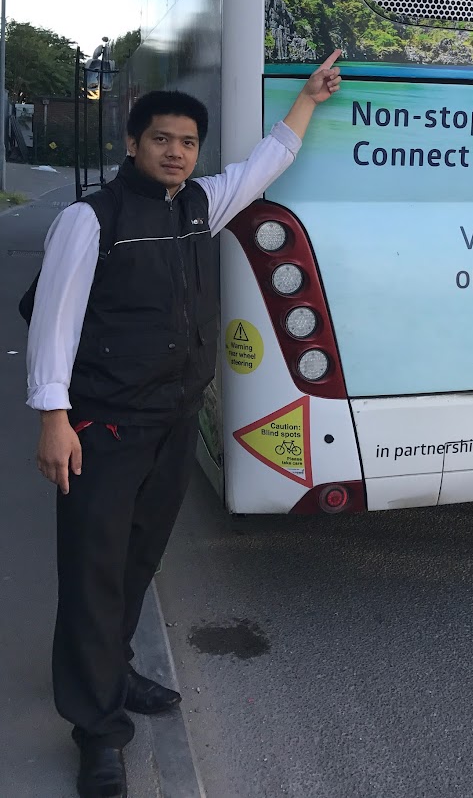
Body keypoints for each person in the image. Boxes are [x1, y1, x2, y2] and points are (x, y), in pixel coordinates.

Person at [26, 50, 342, 798]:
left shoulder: (200, 204)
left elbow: (266, 163)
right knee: (94, 575)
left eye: (188, 142)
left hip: (172, 421)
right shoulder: (90, 219)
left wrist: (306, 100)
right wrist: (53, 419)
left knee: (137, 563)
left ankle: (115, 670)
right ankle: (97, 731)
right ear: (133, 143)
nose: (175, 152)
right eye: (162, 139)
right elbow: (53, 323)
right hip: (103, 430)